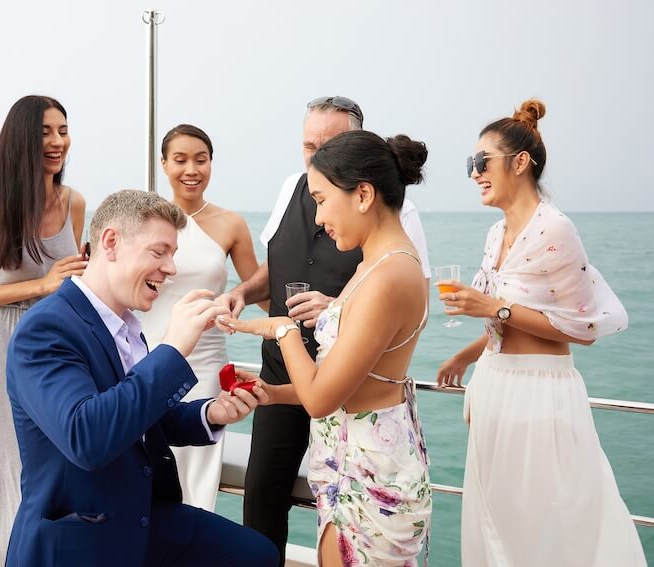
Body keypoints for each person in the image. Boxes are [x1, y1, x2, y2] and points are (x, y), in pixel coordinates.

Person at [4, 190, 279, 566]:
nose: (171, 268)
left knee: (257, 555)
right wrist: (173, 348)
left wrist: (212, 413)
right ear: (111, 242)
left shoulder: (127, 327)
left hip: (141, 515)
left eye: (173, 255)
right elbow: (87, 437)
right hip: (81, 534)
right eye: (159, 252)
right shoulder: (46, 328)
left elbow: (143, 417)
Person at [216, 96, 431, 563]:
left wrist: (281, 331)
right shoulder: (374, 263)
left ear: (363, 194)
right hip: (348, 459)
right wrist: (273, 394)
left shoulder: (389, 274)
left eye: (322, 201)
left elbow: (321, 398)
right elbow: (346, 385)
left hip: (370, 470)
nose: (316, 218)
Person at [436, 99, 646, 565]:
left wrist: (494, 306)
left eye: (481, 162)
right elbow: (503, 318)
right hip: (493, 385)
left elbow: (582, 328)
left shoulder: (556, 229)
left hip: (539, 393)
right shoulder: (496, 234)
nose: (473, 173)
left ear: (520, 162)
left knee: (546, 525)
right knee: (496, 522)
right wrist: (468, 355)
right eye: (471, 164)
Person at [0, 95, 87, 567]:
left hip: (58, 348)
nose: (57, 141)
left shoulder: (74, 203)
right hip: (0, 347)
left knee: (50, 467)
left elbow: (74, 279)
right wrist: (42, 284)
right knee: (4, 466)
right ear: (20, 139)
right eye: (45, 131)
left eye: (63, 130)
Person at [139, 124, 259, 511]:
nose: (192, 169)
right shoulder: (144, 217)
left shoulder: (231, 223)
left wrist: (237, 299)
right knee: (146, 472)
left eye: (201, 160)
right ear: (164, 164)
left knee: (197, 484)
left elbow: (258, 286)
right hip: (146, 359)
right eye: (180, 160)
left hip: (206, 364)